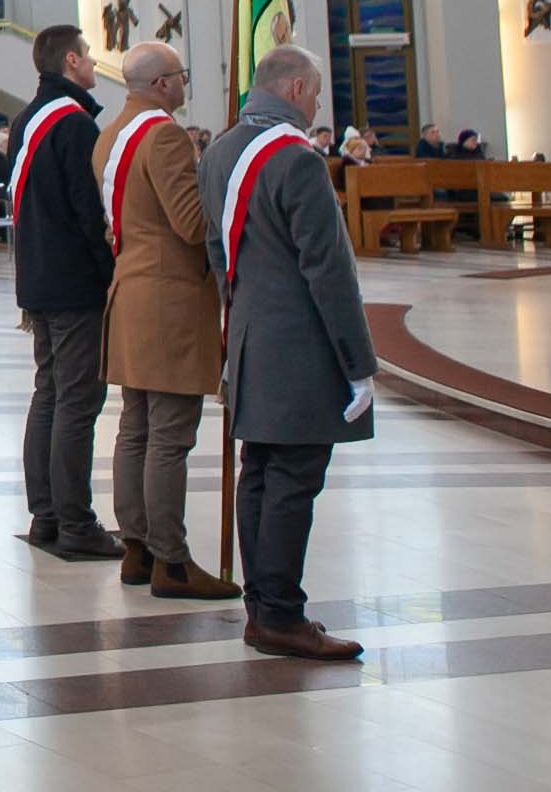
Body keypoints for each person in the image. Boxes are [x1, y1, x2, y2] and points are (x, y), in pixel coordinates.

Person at [200, 46, 376, 662]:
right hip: (299, 344)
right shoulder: (296, 159)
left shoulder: (219, 151)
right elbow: (328, 269)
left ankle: (264, 608)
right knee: (293, 479)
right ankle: (280, 616)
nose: (319, 105)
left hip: (250, 335)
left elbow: (217, 252)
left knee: (260, 473)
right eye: (317, 93)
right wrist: (358, 363)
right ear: (296, 88)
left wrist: (237, 323)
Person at [97, 42, 234, 600]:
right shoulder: (165, 136)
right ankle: (171, 561)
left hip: (129, 289)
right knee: (170, 434)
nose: (185, 83)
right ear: (161, 84)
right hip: (168, 301)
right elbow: (190, 223)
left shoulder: (111, 134)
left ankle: (137, 548)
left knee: (136, 427)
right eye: (181, 75)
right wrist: (227, 188)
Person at [12, 23, 116, 561]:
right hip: (73, 281)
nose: (94, 63)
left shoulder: (26, 119)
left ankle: (46, 515)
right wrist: (110, 274)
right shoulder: (73, 124)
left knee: (49, 394)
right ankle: (75, 521)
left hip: (38, 274)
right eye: (89, 55)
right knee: (77, 400)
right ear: (71, 61)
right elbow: (87, 212)